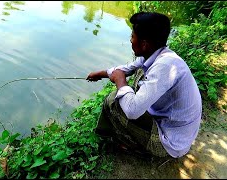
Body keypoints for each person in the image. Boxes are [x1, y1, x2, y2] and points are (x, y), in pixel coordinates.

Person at [86, 12, 202, 159]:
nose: (130, 40)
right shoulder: (159, 54)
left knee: (114, 101)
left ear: (144, 43)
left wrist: (121, 82)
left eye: (132, 36)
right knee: (138, 71)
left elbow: (132, 111)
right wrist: (100, 74)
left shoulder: (164, 67)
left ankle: (118, 139)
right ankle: (110, 134)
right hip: (172, 128)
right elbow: (126, 68)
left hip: (171, 143)